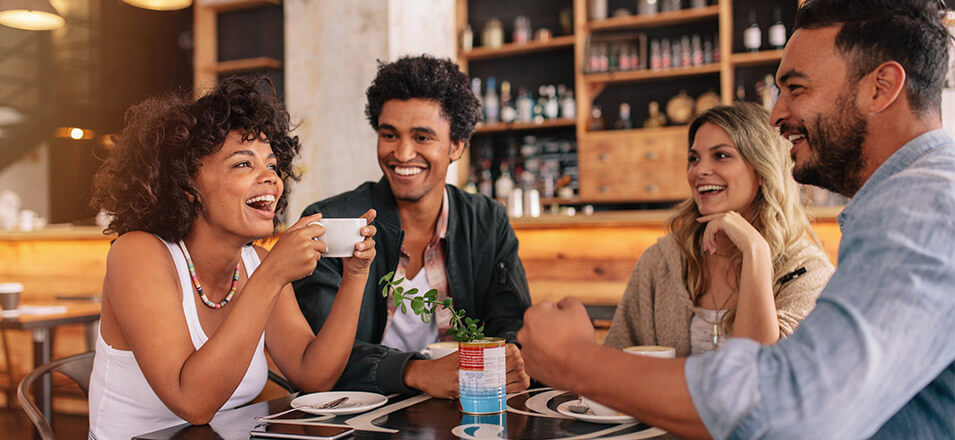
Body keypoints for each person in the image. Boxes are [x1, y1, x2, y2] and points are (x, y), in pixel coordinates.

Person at [518, 0, 955, 438]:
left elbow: (787, 410)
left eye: (797, 89)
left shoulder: (920, 208)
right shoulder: (911, 201)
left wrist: (575, 360)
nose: (777, 115)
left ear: (881, 88)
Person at [88, 77, 378, 440]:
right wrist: (273, 275)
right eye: (244, 164)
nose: (271, 178)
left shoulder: (255, 260)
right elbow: (193, 403)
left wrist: (355, 274)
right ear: (186, 185)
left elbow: (313, 374)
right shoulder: (138, 254)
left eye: (272, 165)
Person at [293, 55, 532, 398]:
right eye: (390, 134)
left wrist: (508, 363)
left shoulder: (488, 222)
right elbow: (315, 354)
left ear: (457, 145)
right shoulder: (331, 223)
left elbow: (511, 326)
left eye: (422, 137)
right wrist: (415, 372)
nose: (402, 153)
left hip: (464, 411)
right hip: (355, 416)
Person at [604, 103, 833, 356]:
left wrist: (754, 250)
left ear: (761, 170)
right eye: (694, 158)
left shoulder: (808, 274)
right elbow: (613, 362)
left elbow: (761, 373)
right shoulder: (660, 262)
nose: (699, 171)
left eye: (721, 155)